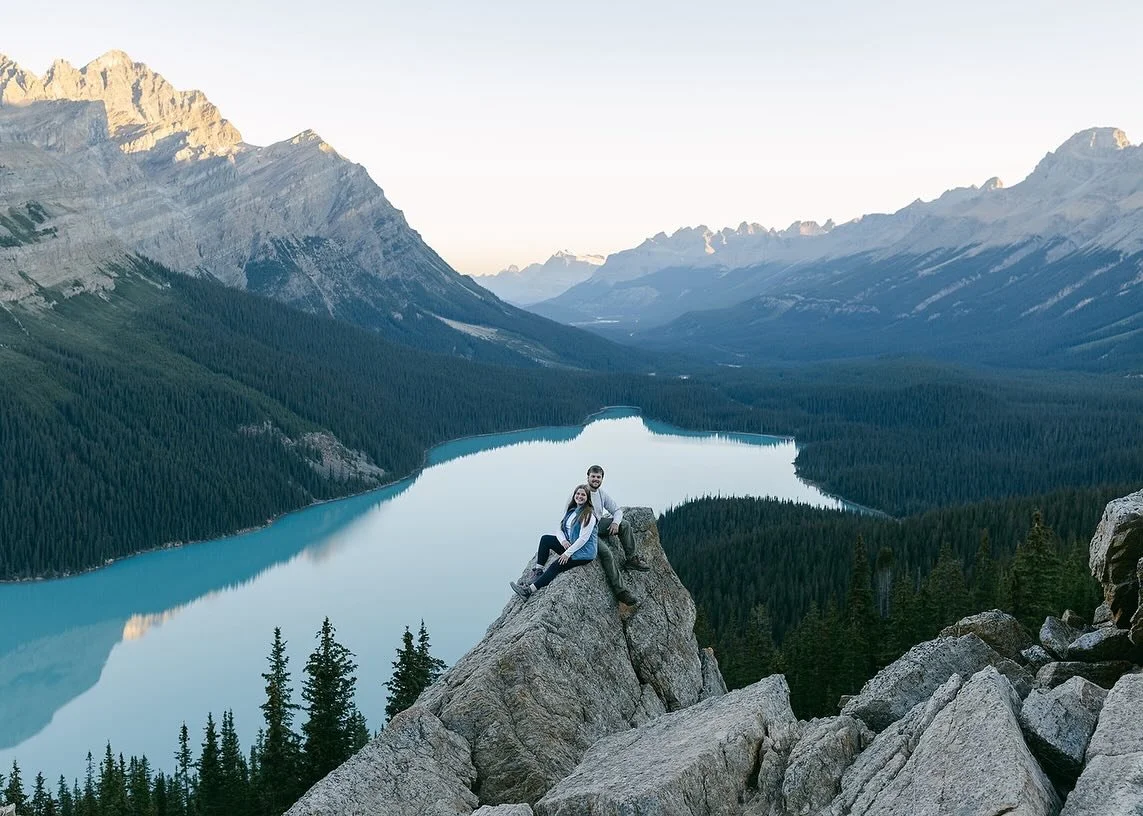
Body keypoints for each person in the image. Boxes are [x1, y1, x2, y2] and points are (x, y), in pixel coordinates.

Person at [510, 484, 598, 599]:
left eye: (583, 495)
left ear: (588, 498)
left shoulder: (588, 515)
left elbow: (583, 538)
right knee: (545, 539)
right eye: (578, 493)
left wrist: (567, 553)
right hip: (571, 545)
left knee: (556, 566)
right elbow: (560, 529)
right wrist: (563, 542)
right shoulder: (572, 511)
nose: (579, 496)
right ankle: (538, 571)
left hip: (583, 552)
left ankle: (528, 591)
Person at [583, 464, 647, 607]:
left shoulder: (601, 494)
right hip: (585, 531)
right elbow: (570, 515)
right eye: (593, 476)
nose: (595, 479)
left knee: (624, 524)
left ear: (602, 479)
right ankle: (621, 591)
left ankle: (631, 559)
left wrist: (615, 523)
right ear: (587, 477)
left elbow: (617, 510)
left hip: (597, 525)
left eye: (598, 477)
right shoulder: (581, 492)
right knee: (607, 554)